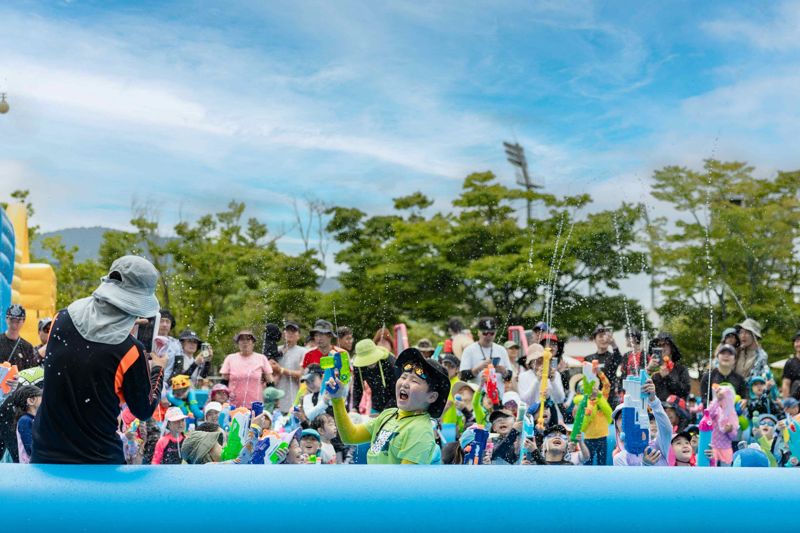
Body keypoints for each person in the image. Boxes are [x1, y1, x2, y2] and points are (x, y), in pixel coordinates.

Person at [32, 255, 167, 464]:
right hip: (98, 460)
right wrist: (158, 368)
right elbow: (144, 409)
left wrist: (126, 320)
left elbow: (84, 357)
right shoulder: (131, 350)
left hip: (45, 453)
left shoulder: (61, 319)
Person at [328, 347, 450, 464]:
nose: (405, 384)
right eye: (403, 377)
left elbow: (406, 481)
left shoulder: (420, 431)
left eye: (414, 381)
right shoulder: (388, 414)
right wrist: (337, 399)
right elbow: (351, 436)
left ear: (432, 397)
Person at [613, 377, 672, 466]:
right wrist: (644, 465)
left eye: (632, 416)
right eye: (621, 417)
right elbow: (629, 480)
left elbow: (666, 429)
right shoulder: (620, 458)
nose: (626, 420)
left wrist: (653, 400)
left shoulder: (659, 445)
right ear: (617, 429)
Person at [220, 329, 273, 409]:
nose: (245, 342)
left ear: (253, 343)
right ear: (238, 343)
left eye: (248, 339)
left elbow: (270, 382)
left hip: (256, 406)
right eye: (241, 339)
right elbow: (223, 384)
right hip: (233, 405)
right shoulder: (230, 358)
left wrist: (271, 402)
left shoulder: (261, 358)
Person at [459, 317, 513, 388]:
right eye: (485, 333)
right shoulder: (469, 350)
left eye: (492, 333)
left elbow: (509, 376)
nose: (488, 336)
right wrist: (479, 368)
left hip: (497, 396)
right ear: (478, 333)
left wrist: (503, 371)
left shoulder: (501, 350)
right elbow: (463, 376)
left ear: (495, 333)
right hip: (477, 395)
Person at [352, 339, 398, 415]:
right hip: (377, 403)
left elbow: (397, 391)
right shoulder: (359, 366)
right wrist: (355, 407)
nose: (370, 362)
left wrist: (385, 412)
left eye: (371, 358)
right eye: (366, 360)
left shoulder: (389, 362)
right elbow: (357, 387)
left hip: (395, 402)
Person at [271, 321, 307, 413]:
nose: (290, 333)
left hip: (294, 398)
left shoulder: (303, 352)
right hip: (276, 398)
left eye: (293, 331)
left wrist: (281, 370)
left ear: (298, 336)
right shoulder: (276, 350)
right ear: (283, 334)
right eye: (287, 331)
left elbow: (302, 374)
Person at [518, 343, 566, 408]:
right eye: (536, 361)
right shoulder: (523, 376)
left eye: (542, 359)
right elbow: (525, 400)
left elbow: (560, 399)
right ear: (530, 363)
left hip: (550, 413)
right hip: (531, 414)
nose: (540, 362)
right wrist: (537, 380)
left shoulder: (555, 374)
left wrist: (553, 381)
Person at [585, 325, 622, 406]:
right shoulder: (588, 358)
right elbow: (586, 379)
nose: (604, 339)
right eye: (600, 336)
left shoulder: (612, 357)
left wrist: (613, 344)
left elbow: (619, 359)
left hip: (610, 397)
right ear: (594, 339)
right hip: (593, 397)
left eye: (605, 336)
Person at [647, 332, 690, 401]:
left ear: (671, 347)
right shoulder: (652, 368)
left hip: (674, 410)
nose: (661, 348)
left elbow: (684, 392)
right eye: (658, 345)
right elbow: (641, 389)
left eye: (664, 344)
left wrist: (667, 377)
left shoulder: (681, 369)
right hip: (653, 409)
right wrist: (648, 369)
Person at [1, 305, 37, 371]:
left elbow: (31, 371)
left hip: (19, 380)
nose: (14, 324)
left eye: (18, 320)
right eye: (12, 319)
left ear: (23, 321)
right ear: (6, 319)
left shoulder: (27, 347)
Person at [12, 385, 41, 464]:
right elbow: (30, 449)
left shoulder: (33, 419)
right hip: (30, 467)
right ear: (31, 400)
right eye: (41, 396)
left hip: (36, 465)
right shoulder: (25, 421)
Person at [158, 310, 183, 388]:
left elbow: (178, 368)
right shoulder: (148, 341)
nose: (164, 324)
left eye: (167, 322)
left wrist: (167, 384)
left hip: (168, 386)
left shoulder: (176, 343)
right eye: (161, 321)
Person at [781, 331, 800, 400]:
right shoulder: (790, 363)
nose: (799, 344)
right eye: (797, 341)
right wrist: (787, 403)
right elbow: (786, 384)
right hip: (795, 402)